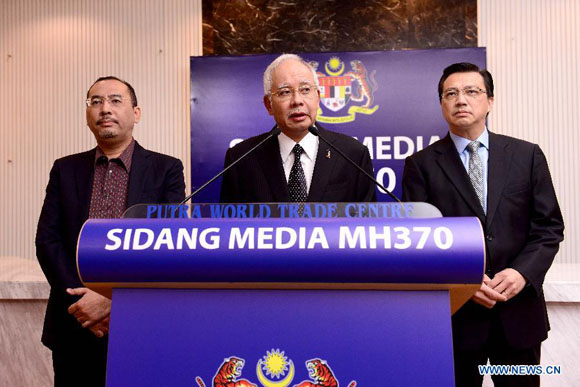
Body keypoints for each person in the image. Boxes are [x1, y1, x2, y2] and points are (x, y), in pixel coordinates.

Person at [402, 62, 564, 386]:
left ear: (490, 101)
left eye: (472, 91)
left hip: (519, 317)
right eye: (451, 93)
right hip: (456, 321)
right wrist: (464, 281)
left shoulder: (526, 155)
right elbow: (419, 241)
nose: (461, 99)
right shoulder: (420, 166)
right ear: (442, 104)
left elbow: (549, 228)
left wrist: (522, 273)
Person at [35, 76, 186, 387]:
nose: (105, 109)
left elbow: (169, 245)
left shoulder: (166, 170)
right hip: (74, 321)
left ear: (136, 112)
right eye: (96, 102)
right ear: (88, 113)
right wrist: (83, 300)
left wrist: (115, 299)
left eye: (116, 100)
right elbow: (48, 241)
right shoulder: (65, 169)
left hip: (142, 323)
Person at [219, 54, 376, 203]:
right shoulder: (241, 158)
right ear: (269, 105)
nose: (297, 101)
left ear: (318, 98)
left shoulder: (353, 154)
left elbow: (367, 225)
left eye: (305, 90)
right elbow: (231, 226)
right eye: (285, 92)